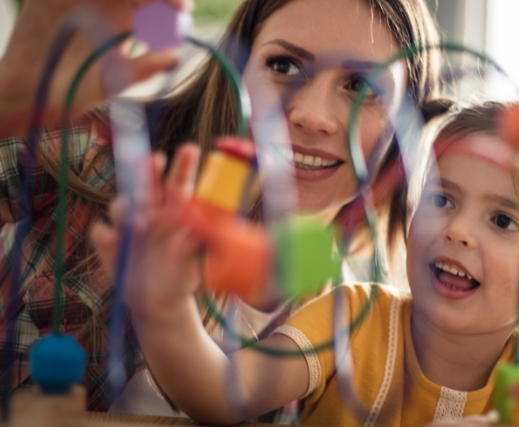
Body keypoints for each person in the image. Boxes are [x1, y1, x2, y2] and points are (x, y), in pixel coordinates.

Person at [0, 0, 440, 415]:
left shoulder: (348, 331)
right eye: (283, 65)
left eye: (362, 86)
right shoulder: (96, 153)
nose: (312, 115)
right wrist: (9, 98)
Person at [93, 100, 519, 426]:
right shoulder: (350, 318)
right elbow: (221, 394)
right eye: (441, 199)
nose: (455, 229)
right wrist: (163, 309)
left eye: (502, 221)